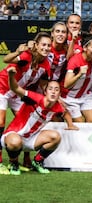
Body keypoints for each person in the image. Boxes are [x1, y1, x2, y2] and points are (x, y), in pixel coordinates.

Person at [2, 67, 78, 175]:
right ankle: (13, 163)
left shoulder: (58, 107)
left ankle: (37, 161)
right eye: (50, 89)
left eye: (56, 90)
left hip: (31, 139)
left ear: (59, 94)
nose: (53, 92)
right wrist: (11, 76)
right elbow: (15, 88)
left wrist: (70, 124)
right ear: (45, 91)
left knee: (55, 137)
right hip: (13, 135)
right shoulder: (35, 98)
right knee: (15, 142)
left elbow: (65, 113)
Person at [0, 32, 52, 174]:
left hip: (18, 94)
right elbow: (6, 59)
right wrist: (17, 51)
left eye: (49, 45)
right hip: (3, 89)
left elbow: (43, 85)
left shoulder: (46, 65)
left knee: (27, 125)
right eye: (43, 44)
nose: (46, 48)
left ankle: (24, 160)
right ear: (36, 45)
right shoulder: (26, 55)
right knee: (0, 122)